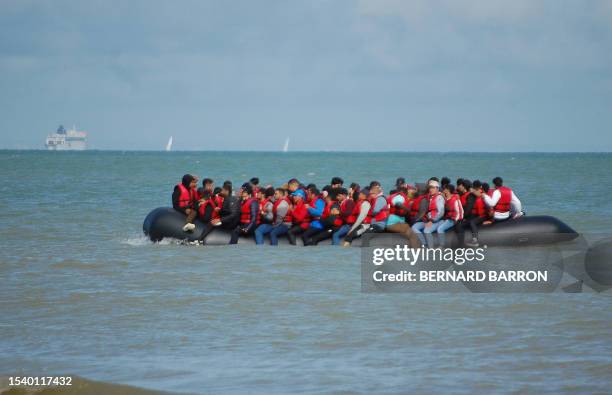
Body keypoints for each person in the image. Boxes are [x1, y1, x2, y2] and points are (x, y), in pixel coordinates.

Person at [411, 179, 445, 247]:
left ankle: (431, 248)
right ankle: (424, 244)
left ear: (437, 188)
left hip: (436, 221)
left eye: (432, 188)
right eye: (430, 188)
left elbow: (441, 212)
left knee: (426, 231)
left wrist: (432, 221)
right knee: (414, 227)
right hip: (428, 220)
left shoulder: (439, 198)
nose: (430, 189)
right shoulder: (430, 197)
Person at [455, 180, 489, 247]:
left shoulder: (481, 195)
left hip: (482, 216)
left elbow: (490, 208)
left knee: (471, 222)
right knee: (467, 222)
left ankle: (474, 240)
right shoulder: (472, 194)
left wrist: (491, 220)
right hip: (476, 215)